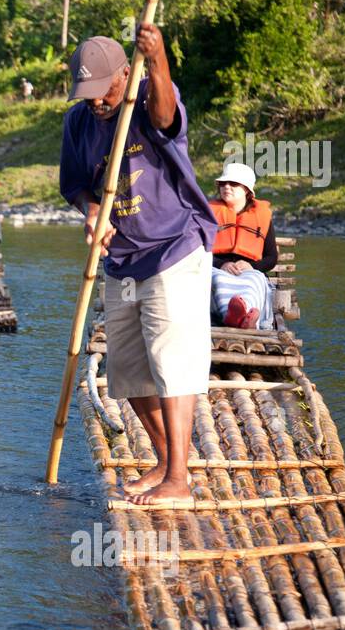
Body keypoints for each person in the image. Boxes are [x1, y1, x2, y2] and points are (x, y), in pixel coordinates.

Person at [59, 29, 218, 506]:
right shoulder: (78, 123)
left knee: (172, 362)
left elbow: (167, 119)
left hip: (173, 248)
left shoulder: (148, 96)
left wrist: (159, 58)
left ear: (125, 76)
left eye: (104, 91)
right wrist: (92, 213)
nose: (97, 103)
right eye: (86, 95)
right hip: (122, 260)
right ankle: (167, 462)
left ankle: (179, 481)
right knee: (129, 370)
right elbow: (75, 186)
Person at [209, 162, 276, 329]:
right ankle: (231, 316)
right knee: (217, 279)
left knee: (255, 281)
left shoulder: (263, 217)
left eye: (233, 183)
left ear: (246, 190)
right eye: (223, 183)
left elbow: (271, 258)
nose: (227, 187)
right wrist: (221, 264)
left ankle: (245, 315)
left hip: (250, 272)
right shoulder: (209, 214)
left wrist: (251, 266)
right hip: (217, 268)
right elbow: (197, 250)